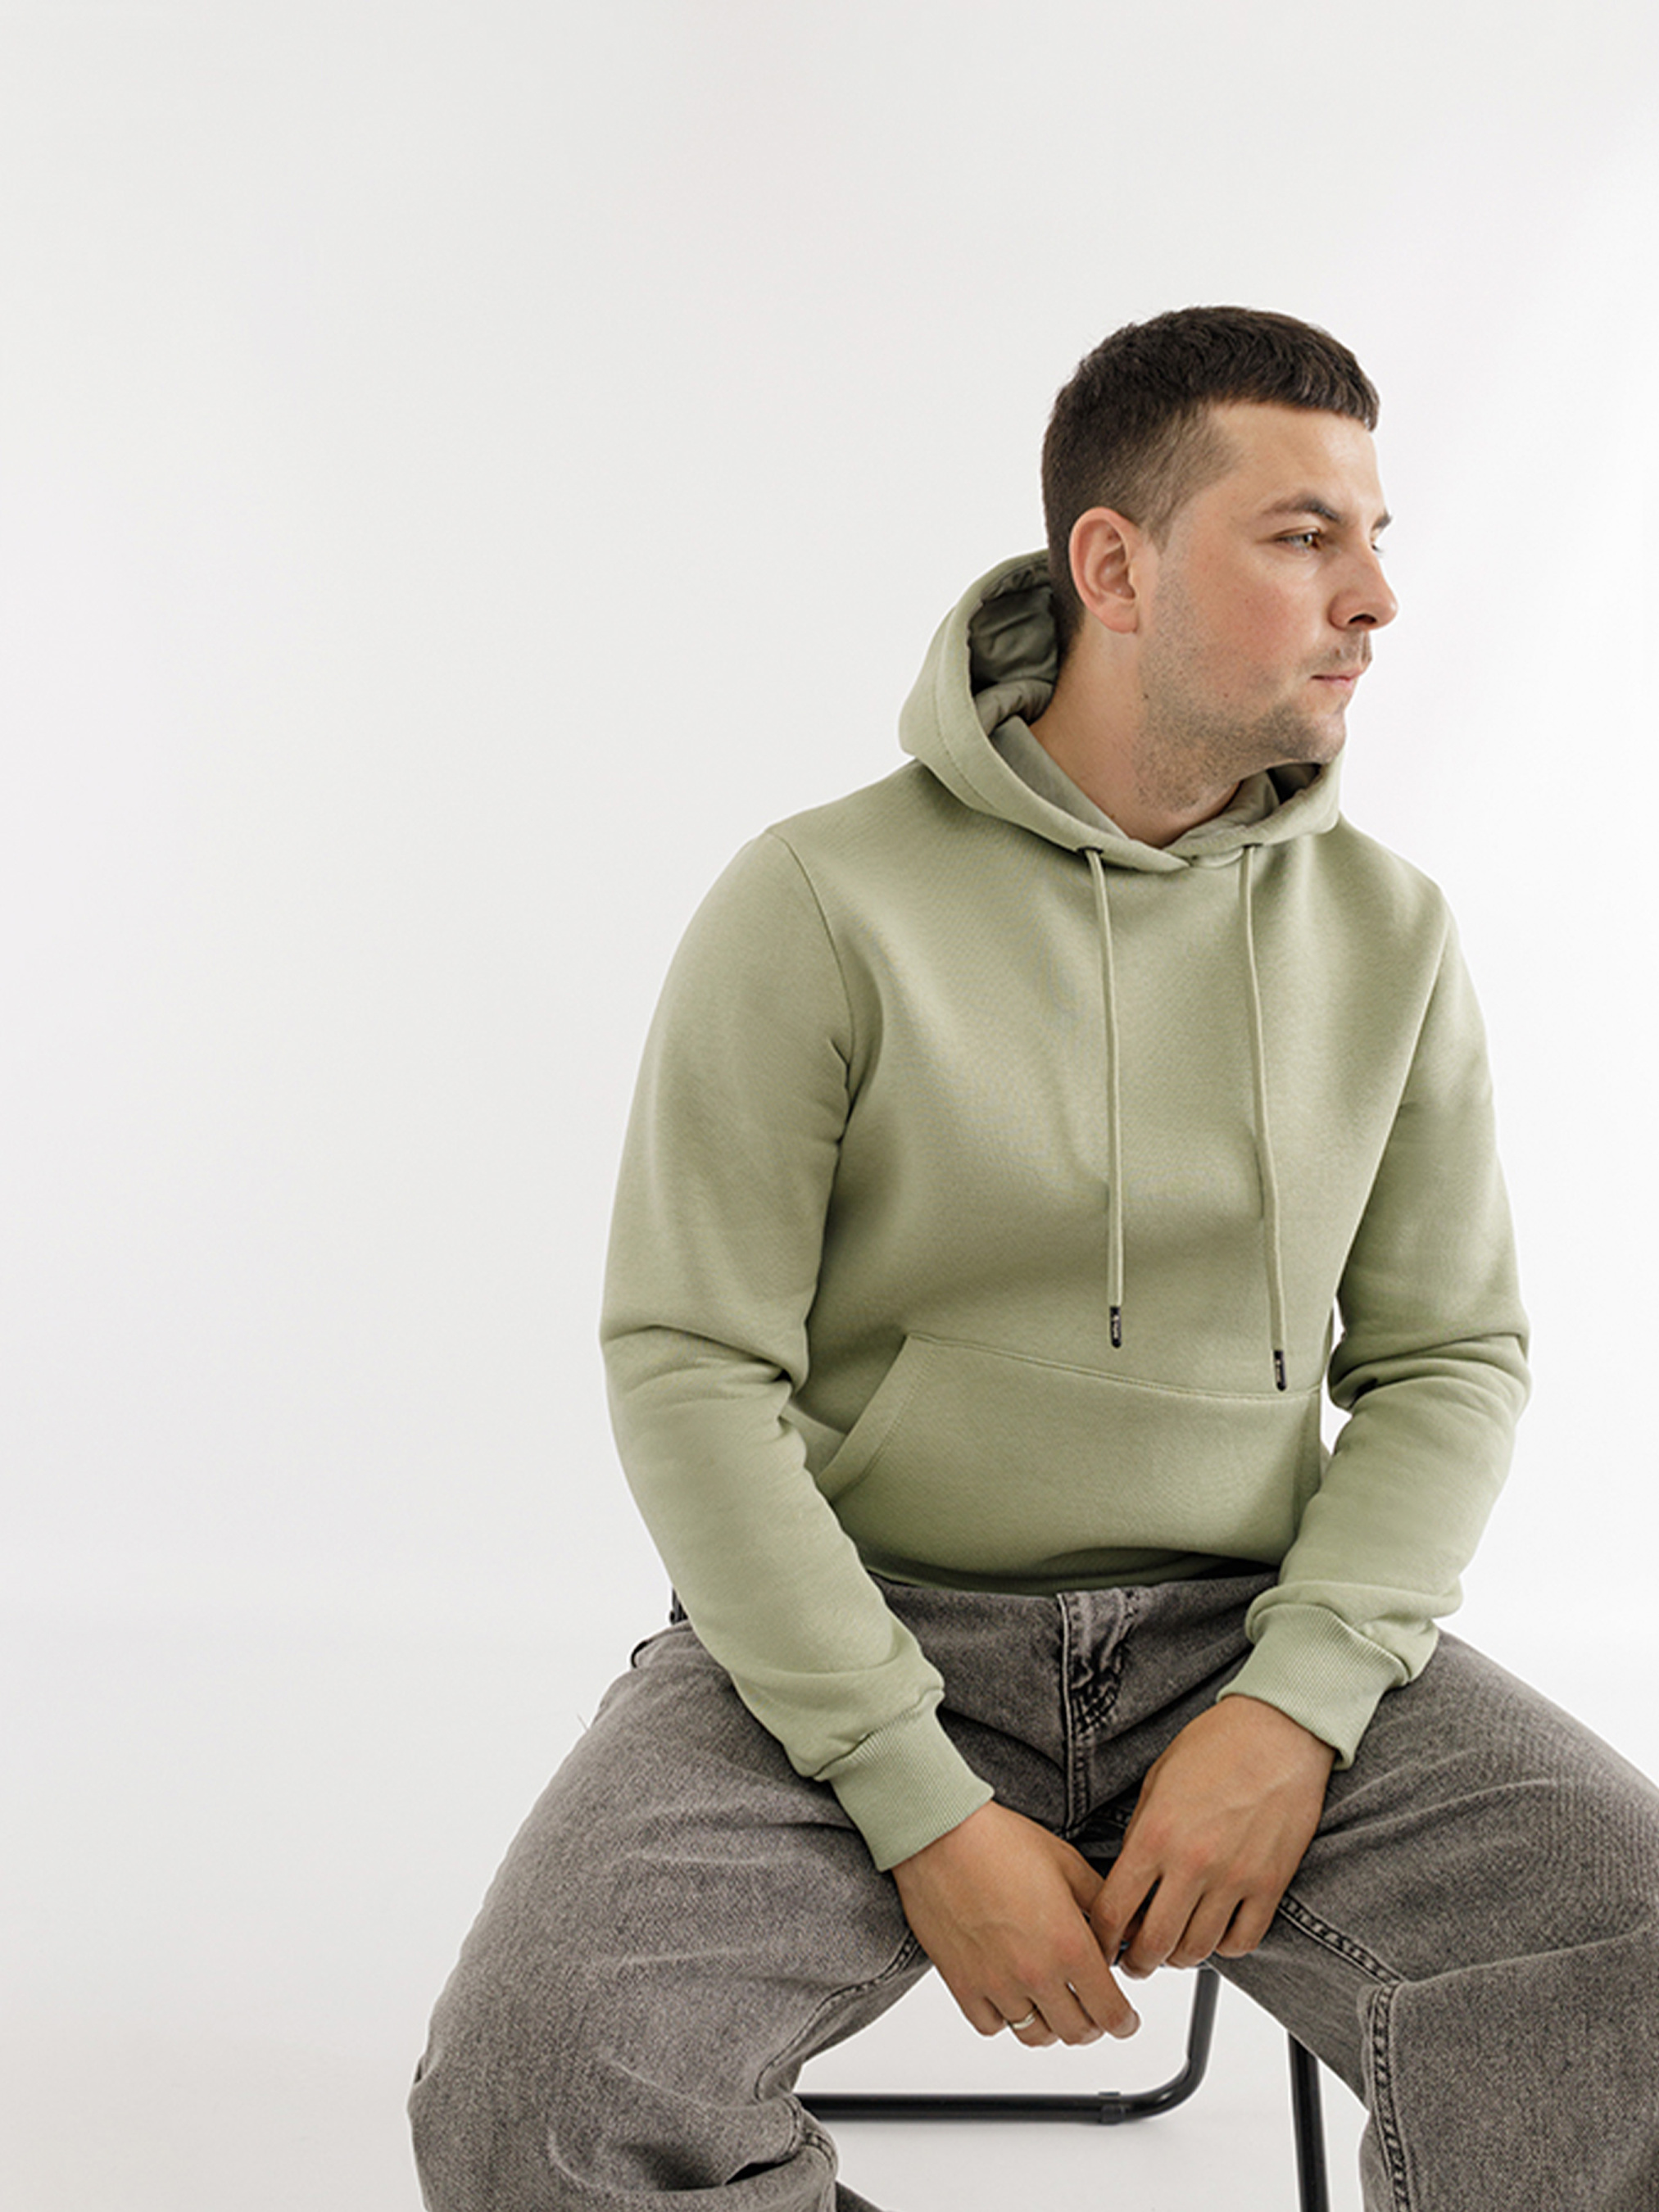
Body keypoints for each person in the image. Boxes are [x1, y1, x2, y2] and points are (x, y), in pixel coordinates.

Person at [409, 307, 1659, 2210]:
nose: (1374, 597)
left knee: (1633, 1957)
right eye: (1301, 535)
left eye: (1373, 536)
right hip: (851, 1629)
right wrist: (916, 1800)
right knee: (538, 2087)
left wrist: (1291, 1706)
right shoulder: (817, 902)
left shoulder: (1387, 934)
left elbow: (1445, 1359)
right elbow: (688, 1368)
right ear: (1113, 567)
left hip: (1246, 1629)